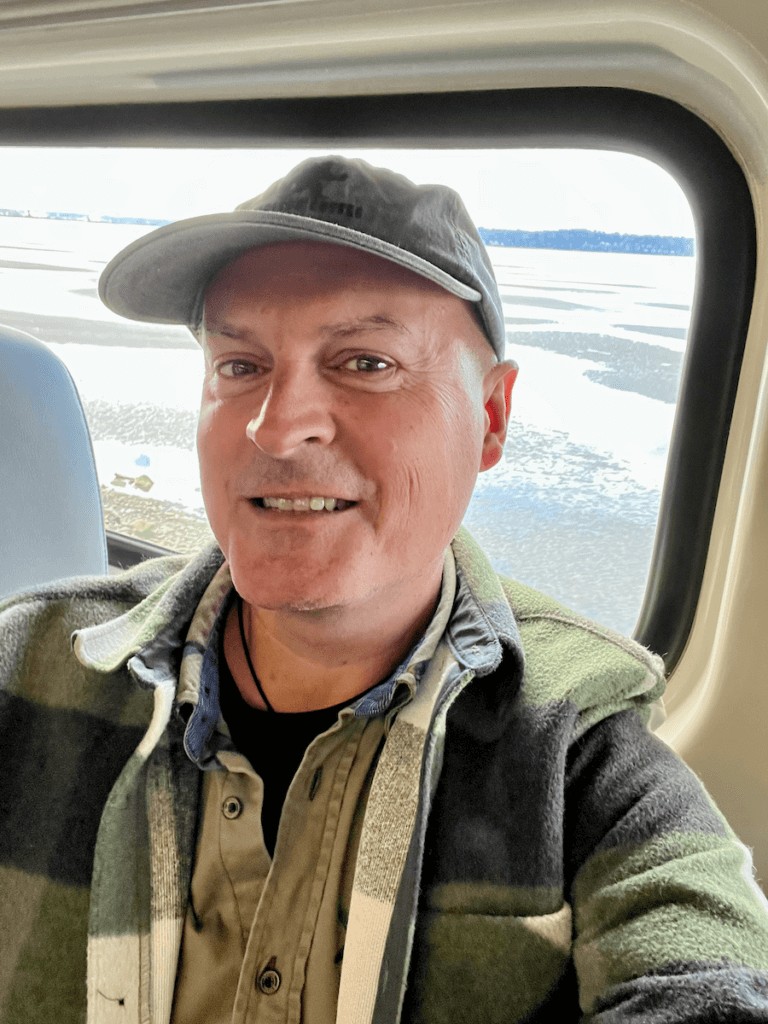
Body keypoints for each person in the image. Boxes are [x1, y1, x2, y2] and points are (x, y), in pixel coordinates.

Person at [1, 155, 768, 1024]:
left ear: (491, 418)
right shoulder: (26, 667)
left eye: (364, 362)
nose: (278, 425)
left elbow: (711, 979)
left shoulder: (582, 755)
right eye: (239, 365)